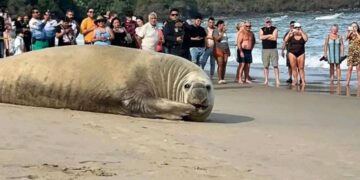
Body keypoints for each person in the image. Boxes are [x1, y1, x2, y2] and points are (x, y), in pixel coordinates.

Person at [259, 17, 280, 85]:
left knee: (275, 65)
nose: (268, 23)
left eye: (269, 22)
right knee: (265, 66)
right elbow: (260, 37)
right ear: (265, 23)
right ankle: (266, 80)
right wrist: (269, 35)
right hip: (265, 49)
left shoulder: (275, 28)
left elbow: (274, 38)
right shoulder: (261, 29)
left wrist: (265, 36)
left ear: (271, 22)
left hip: (273, 49)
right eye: (267, 22)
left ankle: (277, 80)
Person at [213, 20, 230, 84]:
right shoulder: (215, 31)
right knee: (220, 64)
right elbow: (217, 39)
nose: (224, 26)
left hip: (226, 49)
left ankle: (223, 78)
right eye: (223, 25)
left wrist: (229, 50)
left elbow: (226, 41)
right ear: (219, 25)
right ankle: (220, 79)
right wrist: (222, 32)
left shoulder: (224, 32)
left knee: (225, 64)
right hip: (218, 49)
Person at [345, 22, 360, 86]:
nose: (354, 28)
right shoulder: (349, 33)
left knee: (358, 68)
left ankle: (359, 83)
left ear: (358, 27)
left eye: (355, 26)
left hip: (358, 52)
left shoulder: (358, 33)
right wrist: (350, 32)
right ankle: (347, 82)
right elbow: (345, 38)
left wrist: (356, 32)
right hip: (351, 53)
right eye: (353, 26)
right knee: (349, 68)